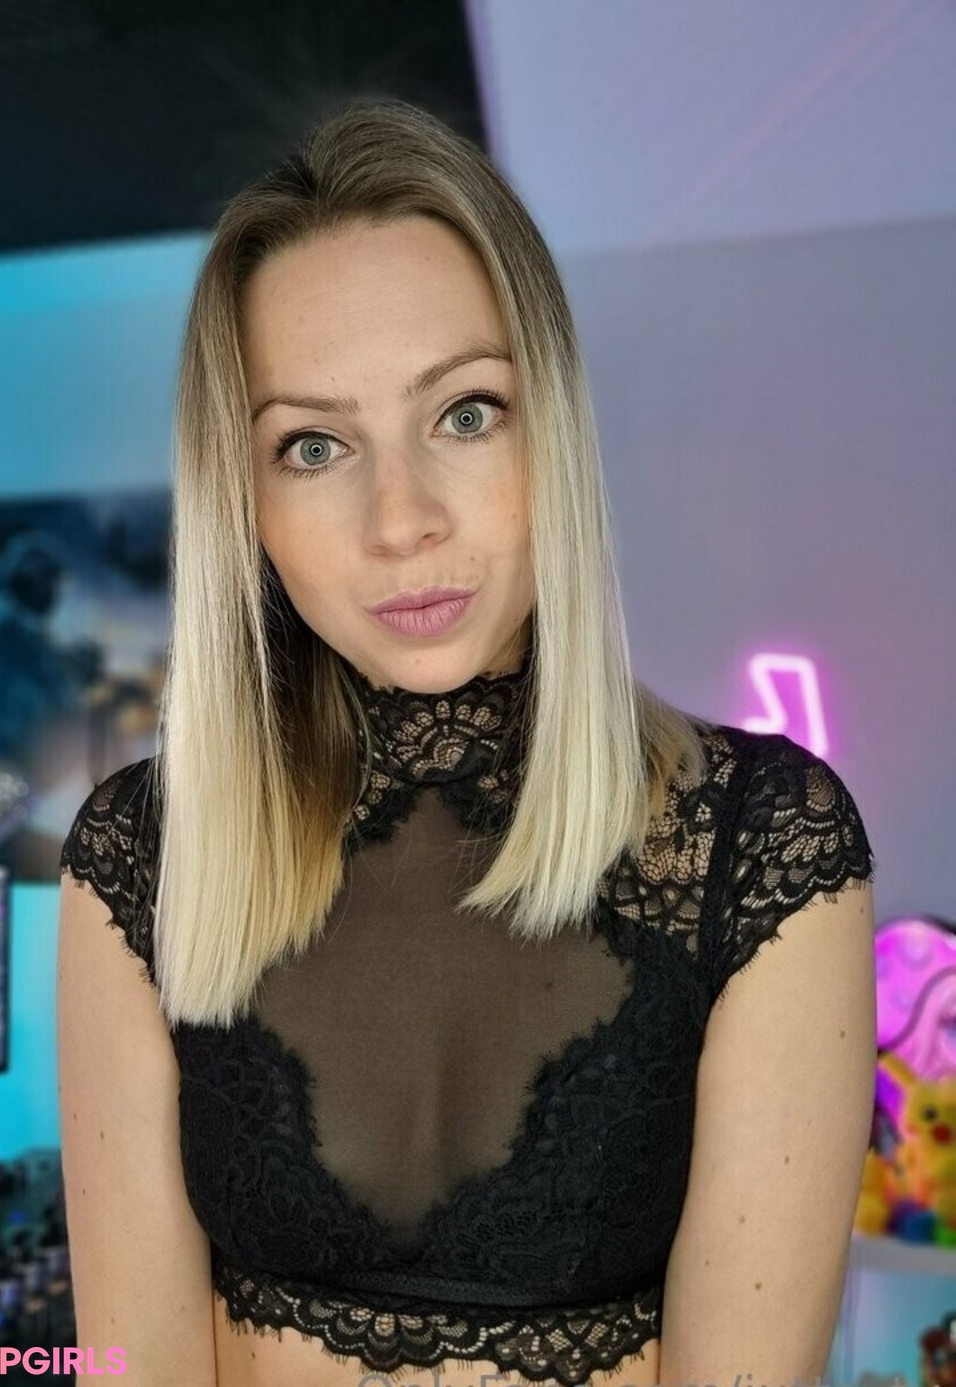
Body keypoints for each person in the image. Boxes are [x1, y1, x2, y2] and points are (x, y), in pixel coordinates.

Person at [56, 98, 877, 1387]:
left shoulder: (762, 844)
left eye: (465, 413)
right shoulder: (138, 854)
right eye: (313, 445)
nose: (402, 521)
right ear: (244, 501)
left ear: (553, 426)